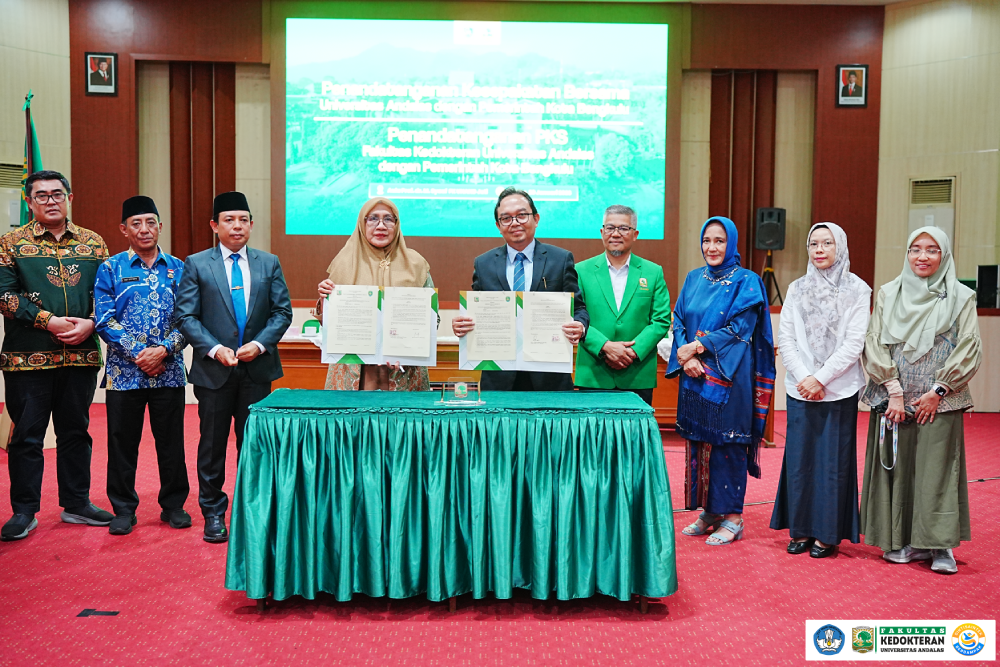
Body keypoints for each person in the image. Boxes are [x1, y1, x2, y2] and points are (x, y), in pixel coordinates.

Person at [859, 226, 981, 575]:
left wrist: (938, 391)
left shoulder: (961, 296)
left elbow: (969, 347)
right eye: (915, 249)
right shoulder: (888, 293)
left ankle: (940, 546)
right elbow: (875, 342)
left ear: (944, 255)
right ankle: (902, 540)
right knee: (896, 470)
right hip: (893, 398)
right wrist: (894, 392)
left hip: (939, 401)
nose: (922, 256)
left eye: (932, 250)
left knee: (936, 473)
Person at [0, 170, 114, 541]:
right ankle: (24, 511)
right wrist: (48, 321)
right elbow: (5, 296)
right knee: (27, 436)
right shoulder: (10, 243)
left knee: (76, 431)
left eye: (57, 194)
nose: (51, 200)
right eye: (42, 195)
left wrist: (92, 323)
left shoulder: (94, 243)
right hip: (27, 358)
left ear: (69, 198)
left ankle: (77, 503)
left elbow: (109, 296)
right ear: (29, 201)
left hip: (80, 355)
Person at [175, 191, 292, 543]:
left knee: (253, 443)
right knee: (212, 445)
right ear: (215, 225)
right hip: (214, 371)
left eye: (243, 219)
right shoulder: (196, 263)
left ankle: (251, 509)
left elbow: (281, 312)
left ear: (252, 225)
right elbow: (186, 316)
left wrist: (258, 345)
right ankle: (213, 511)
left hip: (257, 370)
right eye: (229, 219)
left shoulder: (268, 262)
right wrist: (213, 349)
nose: (236, 225)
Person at [666, 217, 775, 545]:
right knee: (700, 442)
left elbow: (739, 330)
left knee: (728, 444)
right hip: (694, 377)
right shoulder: (693, 278)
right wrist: (687, 359)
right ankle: (710, 512)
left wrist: (697, 348)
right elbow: (679, 319)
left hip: (730, 378)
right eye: (707, 241)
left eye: (719, 241)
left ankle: (733, 516)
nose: (712, 247)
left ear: (732, 244)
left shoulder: (748, 282)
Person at [769, 223, 870, 558]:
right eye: (814, 243)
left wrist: (821, 379)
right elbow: (786, 339)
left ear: (839, 245)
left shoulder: (859, 290)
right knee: (800, 462)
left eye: (827, 243)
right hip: (801, 388)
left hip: (839, 389)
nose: (820, 249)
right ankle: (800, 529)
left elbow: (855, 343)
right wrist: (804, 376)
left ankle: (827, 534)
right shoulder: (796, 288)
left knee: (831, 463)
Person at [94, 196, 191, 536]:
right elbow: (104, 320)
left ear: (160, 226)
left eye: (151, 222)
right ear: (124, 229)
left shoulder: (180, 268)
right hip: (124, 375)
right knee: (122, 442)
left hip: (169, 371)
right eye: (136, 223)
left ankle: (174, 505)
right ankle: (123, 508)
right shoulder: (110, 268)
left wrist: (162, 351)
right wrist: (140, 353)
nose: (145, 229)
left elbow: (188, 319)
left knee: (171, 442)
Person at [451, 187, 588, 391]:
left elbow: (579, 309)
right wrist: (463, 325)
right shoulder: (484, 263)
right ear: (498, 226)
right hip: (498, 378)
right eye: (506, 218)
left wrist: (579, 325)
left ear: (536, 218)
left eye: (522, 215)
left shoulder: (560, 259)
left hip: (549, 376)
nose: (515, 223)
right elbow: (477, 312)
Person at [315, 197, 433, 391]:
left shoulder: (416, 263)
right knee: (354, 421)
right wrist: (324, 299)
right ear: (362, 224)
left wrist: (405, 347)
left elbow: (431, 319)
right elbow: (330, 324)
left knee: (402, 420)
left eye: (388, 219)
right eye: (373, 219)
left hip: (403, 368)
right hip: (355, 372)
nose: (381, 226)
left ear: (397, 224)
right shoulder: (344, 262)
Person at [574, 205, 670, 406]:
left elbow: (660, 320)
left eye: (623, 228)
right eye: (610, 228)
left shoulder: (653, 272)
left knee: (633, 437)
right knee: (593, 436)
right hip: (594, 372)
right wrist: (605, 347)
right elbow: (573, 315)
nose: (615, 234)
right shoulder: (580, 270)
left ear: (635, 234)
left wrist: (631, 352)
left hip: (636, 373)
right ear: (602, 232)